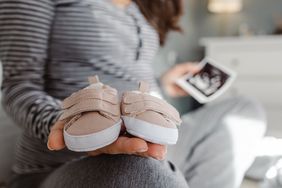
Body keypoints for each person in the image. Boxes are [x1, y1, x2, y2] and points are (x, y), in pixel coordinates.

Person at [0, 0, 266, 187]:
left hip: (149, 139)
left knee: (244, 113)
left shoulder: (142, 6)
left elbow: (132, 78)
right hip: (59, 164)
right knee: (143, 171)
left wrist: (162, 86)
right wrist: (64, 121)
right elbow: (18, 86)